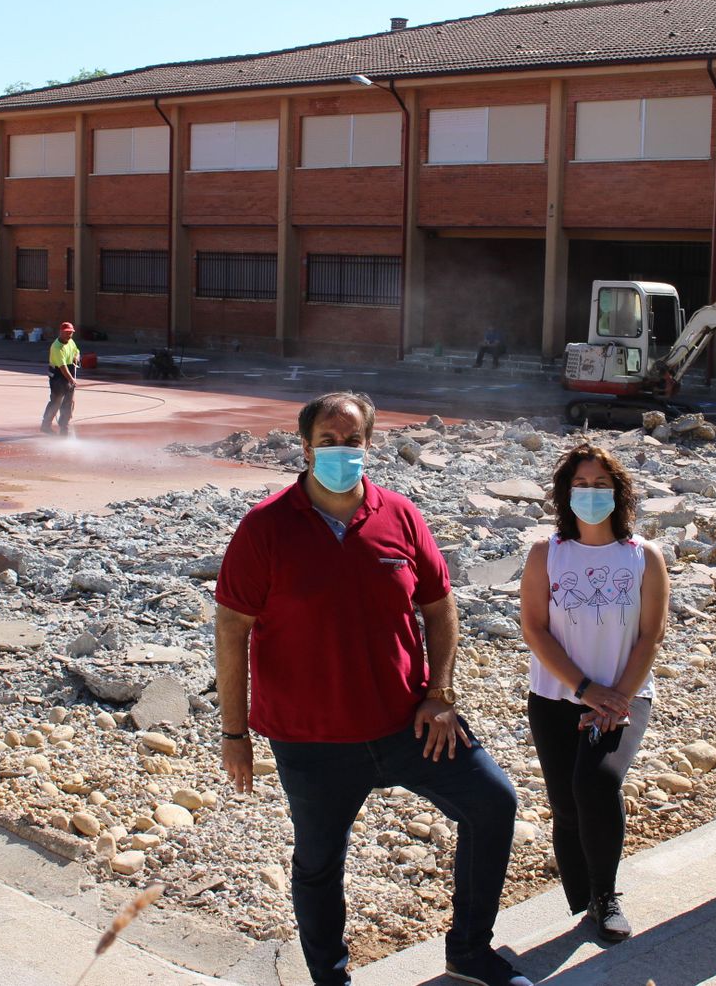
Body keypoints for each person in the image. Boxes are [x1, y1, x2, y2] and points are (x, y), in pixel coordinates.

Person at [215, 391, 530, 986]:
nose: (341, 450)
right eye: (328, 441)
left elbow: (439, 607)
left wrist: (440, 693)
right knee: (318, 864)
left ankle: (469, 951)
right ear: (305, 448)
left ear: (369, 444)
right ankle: (330, 978)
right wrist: (235, 734)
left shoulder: (400, 515)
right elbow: (232, 629)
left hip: (409, 724)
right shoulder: (265, 527)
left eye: (352, 440)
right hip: (310, 741)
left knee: (493, 803)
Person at [518, 444, 669, 943]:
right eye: (580, 485)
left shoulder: (644, 557)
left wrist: (615, 698)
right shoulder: (546, 554)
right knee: (565, 804)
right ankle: (581, 901)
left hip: (625, 696)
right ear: (566, 493)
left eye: (601, 485)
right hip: (556, 697)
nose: (590, 493)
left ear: (618, 492)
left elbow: (651, 635)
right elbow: (535, 629)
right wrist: (585, 689)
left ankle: (606, 896)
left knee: (597, 783)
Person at [40, 322, 79, 435]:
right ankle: (46, 425)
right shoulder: (56, 347)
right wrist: (71, 379)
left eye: (70, 333)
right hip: (58, 376)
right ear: (61, 332)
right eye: (66, 332)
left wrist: (76, 357)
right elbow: (62, 367)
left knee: (69, 402)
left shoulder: (71, 342)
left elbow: (76, 351)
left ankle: (64, 426)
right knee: (56, 401)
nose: (69, 335)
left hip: (69, 373)